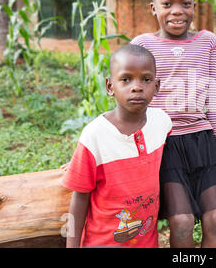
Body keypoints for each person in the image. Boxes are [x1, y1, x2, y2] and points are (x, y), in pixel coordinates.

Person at [130, 0, 216, 248]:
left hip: (202, 142)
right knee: (182, 222)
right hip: (164, 144)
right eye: (167, 4)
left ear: (194, 6)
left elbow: (214, 99)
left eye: (186, 3)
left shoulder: (206, 42)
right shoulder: (143, 45)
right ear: (153, 8)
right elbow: (131, 104)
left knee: (215, 218)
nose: (177, 11)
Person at [62, 44, 172, 247]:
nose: (137, 87)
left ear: (156, 86)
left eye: (146, 79)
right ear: (110, 86)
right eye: (126, 79)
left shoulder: (162, 123)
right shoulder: (94, 136)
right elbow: (79, 201)